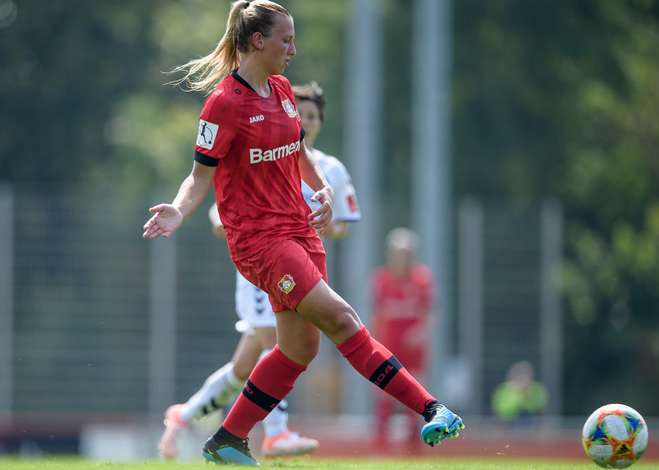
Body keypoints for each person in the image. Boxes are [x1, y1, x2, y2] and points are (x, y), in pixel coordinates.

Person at [143, 1, 463, 465]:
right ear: (258, 41)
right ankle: (431, 408)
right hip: (260, 242)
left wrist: (323, 189)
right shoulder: (224, 103)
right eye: (285, 39)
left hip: (301, 230)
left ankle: (227, 440)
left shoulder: (282, 91)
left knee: (299, 348)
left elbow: (299, 153)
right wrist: (177, 209)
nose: (293, 49)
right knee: (342, 320)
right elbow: (199, 176)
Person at [157, 81, 361, 460]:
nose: (307, 122)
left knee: (243, 369)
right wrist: (222, 221)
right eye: (301, 114)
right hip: (263, 268)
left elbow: (343, 224)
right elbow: (222, 199)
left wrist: (322, 220)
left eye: (314, 116)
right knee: (276, 345)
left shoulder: (329, 168)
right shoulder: (261, 150)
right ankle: (277, 433)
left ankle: (183, 416)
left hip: (304, 265)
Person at [371, 228, 434, 451]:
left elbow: (429, 312)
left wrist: (420, 333)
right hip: (390, 344)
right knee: (384, 392)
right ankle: (381, 445)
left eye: (406, 253)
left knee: (415, 392)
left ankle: (413, 445)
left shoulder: (421, 279)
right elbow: (377, 313)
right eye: (398, 253)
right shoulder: (382, 279)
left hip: (413, 348)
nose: (402, 258)